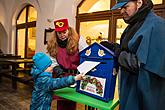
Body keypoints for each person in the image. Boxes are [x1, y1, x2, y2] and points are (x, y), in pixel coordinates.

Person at [111, 0, 165, 110]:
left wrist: (119, 54)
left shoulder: (158, 26)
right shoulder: (132, 25)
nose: (121, 11)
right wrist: (115, 47)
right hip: (128, 94)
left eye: (125, 7)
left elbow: (143, 65)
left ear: (139, 3)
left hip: (143, 100)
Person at [46, 18, 88, 110]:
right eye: (59, 33)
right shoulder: (53, 43)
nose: (62, 35)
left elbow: (86, 56)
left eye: (64, 32)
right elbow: (53, 60)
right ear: (56, 33)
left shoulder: (79, 40)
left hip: (76, 75)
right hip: (61, 75)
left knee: (71, 101)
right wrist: (58, 71)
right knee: (61, 102)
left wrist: (80, 72)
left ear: (68, 30)